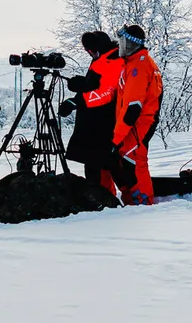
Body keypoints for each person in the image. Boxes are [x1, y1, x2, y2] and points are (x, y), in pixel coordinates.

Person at [61, 30, 123, 196]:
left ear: (99, 47)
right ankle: (103, 197)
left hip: (101, 125)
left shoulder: (112, 60)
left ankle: (104, 199)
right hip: (94, 124)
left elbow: (106, 93)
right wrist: (82, 84)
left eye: (91, 50)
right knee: (97, 164)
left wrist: (77, 101)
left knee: (101, 164)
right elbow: (96, 85)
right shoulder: (102, 59)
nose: (90, 53)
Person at [110, 23, 163, 206]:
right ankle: (132, 200)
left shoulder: (139, 66)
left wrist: (116, 138)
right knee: (125, 160)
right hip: (134, 124)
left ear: (132, 44)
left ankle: (142, 203)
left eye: (123, 42)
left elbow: (133, 106)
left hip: (140, 123)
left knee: (135, 160)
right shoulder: (134, 63)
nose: (120, 46)